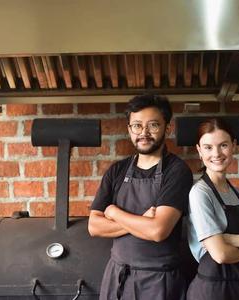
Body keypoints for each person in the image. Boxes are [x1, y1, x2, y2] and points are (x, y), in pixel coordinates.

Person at [88, 94, 193, 300]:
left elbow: (157, 230)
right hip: (117, 278)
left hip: (158, 282)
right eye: (136, 126)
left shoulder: (177, 171)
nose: (144, 133)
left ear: (167, 128)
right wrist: (142, 221)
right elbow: (94, 226)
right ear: (129, 129)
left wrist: (113, 212)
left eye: (153, 125)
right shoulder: (117, 170)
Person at [186, 118, 239, 300]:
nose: (216, 153)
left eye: (223, 145)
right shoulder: (200, 193)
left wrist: (236, 239)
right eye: (208, 147)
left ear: (233, 146)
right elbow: (221, 254)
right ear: (199, 151)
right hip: (214, 289)